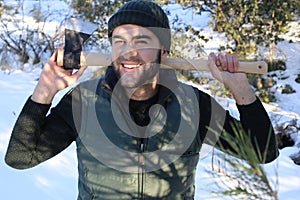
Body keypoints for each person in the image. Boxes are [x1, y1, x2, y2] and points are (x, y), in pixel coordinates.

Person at [5, 0, 278, 199]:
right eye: (119, 41)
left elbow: (262, 153)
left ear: (165, 52)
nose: (128, 52)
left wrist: (240, 87)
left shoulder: (195, 106)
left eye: (142, 41)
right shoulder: (83, 101)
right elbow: (20, 158)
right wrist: (45, 91)